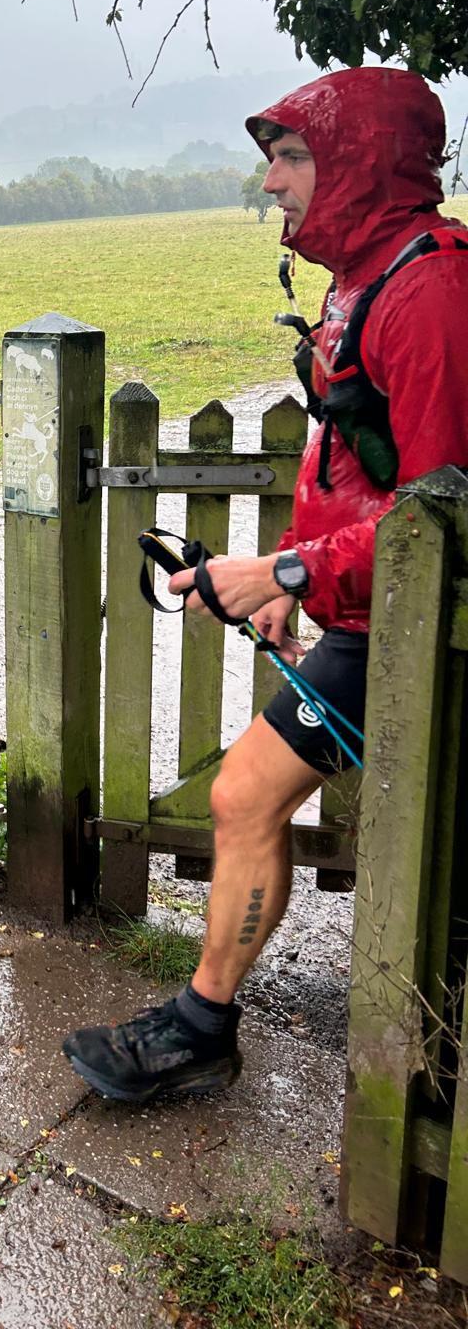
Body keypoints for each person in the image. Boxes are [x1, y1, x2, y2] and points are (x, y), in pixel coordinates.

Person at [63, 67, 468, 1102]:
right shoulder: (359, 280)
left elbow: (443, 516)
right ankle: (206, 1024)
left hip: (420, 638)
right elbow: (347, 461)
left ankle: (396, 1074)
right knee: (249, 796)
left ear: (360, 161)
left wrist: (287, 568)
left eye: (292, 157)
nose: (271, 181)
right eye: (271, 158)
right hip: (369, 617)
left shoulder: (428, 291)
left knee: (393, 854)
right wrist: (296, 580)